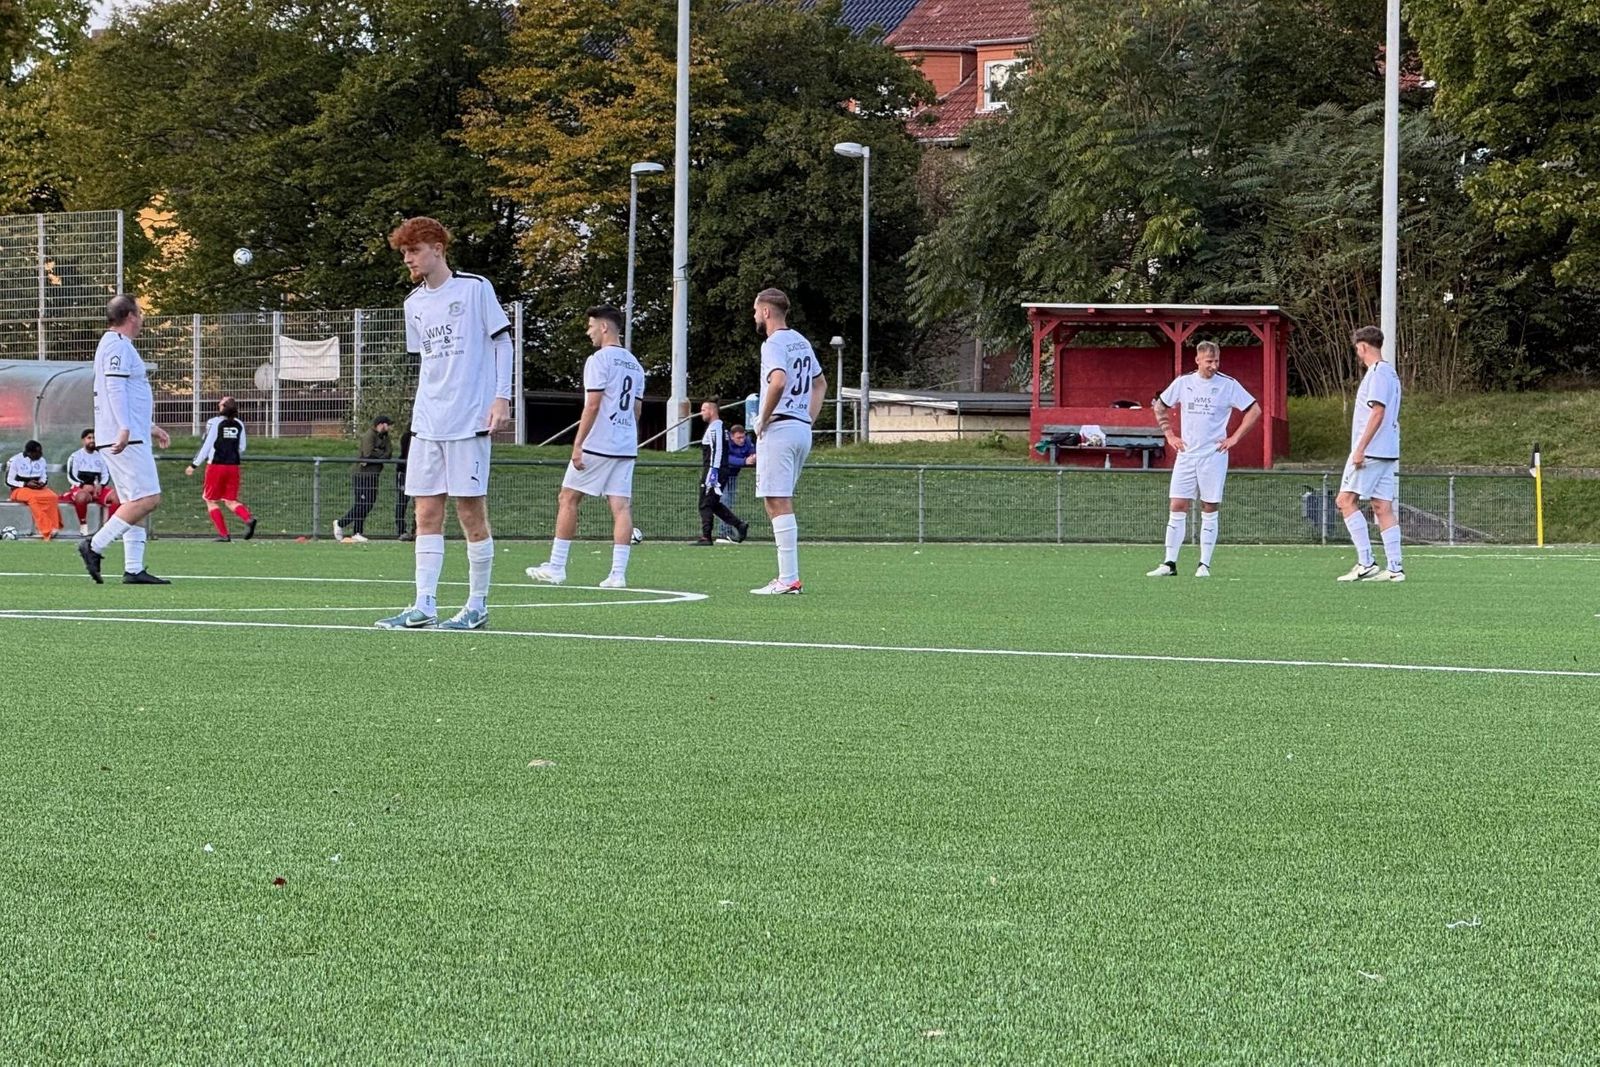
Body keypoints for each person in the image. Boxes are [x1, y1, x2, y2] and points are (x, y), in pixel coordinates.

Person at [376, 217, 513, 630]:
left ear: (437, 248)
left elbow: (502, 342)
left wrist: (501, 397)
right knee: (425, 513)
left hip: (468, 419)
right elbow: (428, 362)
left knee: (470, 512)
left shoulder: (474, 288)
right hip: (427, 423)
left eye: (414, 251)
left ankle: (477, 605)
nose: (408, 259)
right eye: (404, 253)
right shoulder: (413, 304)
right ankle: (424, 605)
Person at [526, 304, 646, 589]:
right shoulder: (635, 365)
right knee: (621, 506)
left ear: (604, 327)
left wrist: (578, 444)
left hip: (599, 443)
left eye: (591, 325)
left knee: (568, 497)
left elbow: (592, 405)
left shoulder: (599, 360)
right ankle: (617, 574)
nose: (588, 331)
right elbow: (637, 410)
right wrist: (625, 435)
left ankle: (557, 566)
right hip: (625, 445)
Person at [1145, 341, 1262, 578]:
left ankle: (1203, 565)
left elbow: (1254, 410)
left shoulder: (1228, 384)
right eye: (1209, 361)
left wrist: (1234, 438)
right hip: (1187, 455)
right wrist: (1170, 435)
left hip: (1213, 456)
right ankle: (1169, 563)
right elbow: (1160, 406)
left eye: (1216, 361)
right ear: (1197, 360)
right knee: (1177, 505)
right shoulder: (1183, 383)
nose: (1213, 366)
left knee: (1209, 506)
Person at [78, 294, 171, 584]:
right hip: (125, 437)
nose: (141, 319)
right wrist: (125, 428)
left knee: (133, 500)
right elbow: (115, 388)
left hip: (128, 433)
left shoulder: (115, 344)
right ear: (130, 315)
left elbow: (126, 394)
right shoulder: (117, 345)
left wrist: (149, 426)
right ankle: (94, 545)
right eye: (139, 313)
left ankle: (133, 568)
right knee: (147, 498)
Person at [750, 288, 826, 595]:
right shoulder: (801, 341)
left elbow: (778, 381)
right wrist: (808, 419)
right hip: (799, 428)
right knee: (777, 498)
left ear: (766, 311)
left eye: (756, 311)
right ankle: (787, 577)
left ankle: (788, 578)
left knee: (776, 500)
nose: (755, 316)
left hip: (781, 428)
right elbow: (820, 384)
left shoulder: (773, 343)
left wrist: (763, 418)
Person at [1335, 325, 1404, 582]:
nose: (1358, 353)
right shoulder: (1390, 373)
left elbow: (1378, 412)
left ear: (1363, 346)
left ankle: (1366, 562)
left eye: (1357, 348)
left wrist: (1360, 448)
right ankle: (1395, 568)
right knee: (1382, 506)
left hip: (1372, 451)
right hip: (1387, 450)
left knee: (1345, 500)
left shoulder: (1377, 373)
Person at [185, 396, 256, 541]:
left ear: (223, 407)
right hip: (233, 466)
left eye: (221, 402)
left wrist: (194, 464)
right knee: (230, 500)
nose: (218, 403)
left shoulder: (215, 422)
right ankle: (248, 518)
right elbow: (242, 447)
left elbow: (207, 445)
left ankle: (224, 534)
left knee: (210, 500)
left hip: (216, 466)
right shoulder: (239, 424)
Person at [694, 399, 748, 546]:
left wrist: (713, 472)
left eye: (704, 410)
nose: (701, 413)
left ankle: (706, 537)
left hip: (714, 469)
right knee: (713, 503)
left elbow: (717, 450)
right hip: (716, 468)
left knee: (705, 503)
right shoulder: (719, 427)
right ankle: (739, 525)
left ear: (712, 411)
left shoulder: (716, 427)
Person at [336, 415, 391, 544]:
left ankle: (357, 532)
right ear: (380, 424)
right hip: (362, 475)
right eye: (387, 424)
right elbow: (367, 454)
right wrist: (380, 454)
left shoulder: (385, 437)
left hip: (374, 474)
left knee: (369, 503)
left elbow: (389, 453)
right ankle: (341, 523)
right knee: (362, 503)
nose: (388, 427)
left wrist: (378, 453)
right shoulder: (369, 435)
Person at [61, 429, 121, 537]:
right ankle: (83, 525)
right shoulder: (75, 456)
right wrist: (82, 485)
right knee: (81, 497)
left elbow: (105, 475)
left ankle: (108, 528)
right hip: (80, 488)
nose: (92, 440)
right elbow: (71, 476)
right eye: (89, 438)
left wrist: (101, 485)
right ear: (83, 440)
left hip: (97, 489)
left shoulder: (102, 457)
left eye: (94, 438)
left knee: (117, 497)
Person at [5, 440, 61, 540]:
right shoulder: (15, 460)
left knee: (53, 496)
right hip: (19, 489)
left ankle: (54, 526)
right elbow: (9, 481)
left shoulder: (42, 460)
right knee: (33, 498)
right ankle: (45, 529)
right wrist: (25, 484)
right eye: (38, 452)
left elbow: (44, 477)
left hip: (37, 488)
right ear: (29, 453)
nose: (41, 454)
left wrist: (41, 483)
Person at [715, 423, 755, 543]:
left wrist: (754, 457)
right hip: (721, 476)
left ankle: (726, 531)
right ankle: (723, 532)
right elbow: (726, 458)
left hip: (733, 476)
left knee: (729, 503)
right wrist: (744, 461)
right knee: (725, 503)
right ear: (732, 436)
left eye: (743, 437)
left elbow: (752, 451)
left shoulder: (747, 441)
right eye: (739, 438)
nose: (742, 440)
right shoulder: (725, 442)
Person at [394, 427, 416, 541]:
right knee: (402, 501)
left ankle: (415, 530)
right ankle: (403, 530)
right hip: (405, 471)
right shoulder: (409, 437)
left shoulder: (408, 437)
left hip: (410, 471)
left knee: (414, 502)